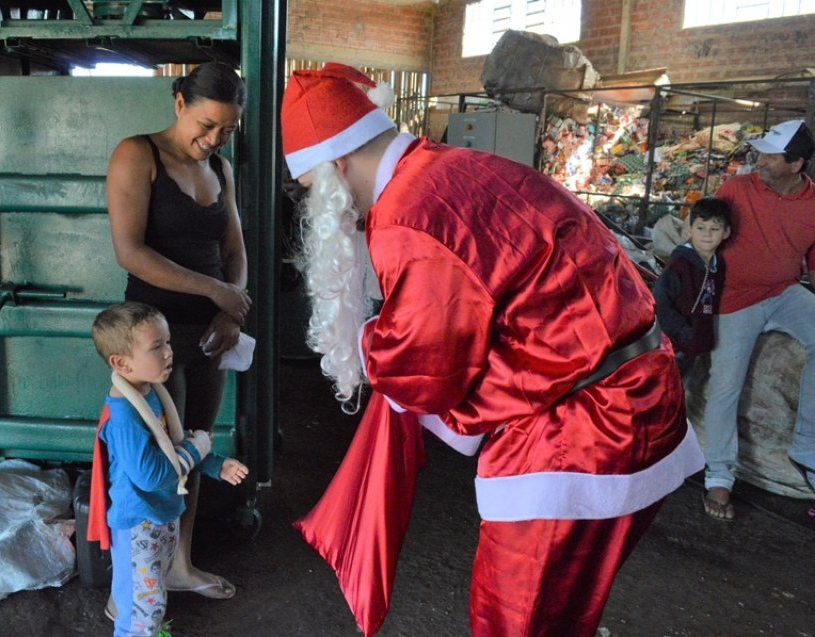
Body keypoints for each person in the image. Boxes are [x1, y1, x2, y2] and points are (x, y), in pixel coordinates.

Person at [281, 63, 703, 637]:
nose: (315, 210)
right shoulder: (457, 166)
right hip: (639, 395)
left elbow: (422, 364)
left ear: (336, 165)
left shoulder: (408, 216)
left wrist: (364, 341)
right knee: (565, 604)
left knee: (516, 617)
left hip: (581, 433)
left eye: (310, 192)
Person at [106, 61, 251, 600]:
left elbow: (234, 251)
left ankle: (179, 565)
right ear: (178, 103)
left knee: (195, 446)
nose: (213, 139)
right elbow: (130, 252)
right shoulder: (136, 155)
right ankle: (129, 581)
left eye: (227, 131)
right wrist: (217, 293)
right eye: (206, 125)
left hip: (211, 335)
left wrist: (231, 312)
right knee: (152, 463)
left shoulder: (223, 169)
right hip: (151, 340)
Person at [87, 302, 249, 637]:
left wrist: (216, 464)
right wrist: (198, 447)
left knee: (151, 601)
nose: (168, 353)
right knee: (140, 615)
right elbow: (154, 474)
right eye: (156, 347)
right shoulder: (125, 418)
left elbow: (175, 445)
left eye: (168, 342)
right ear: (121, 362)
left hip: (159, 518)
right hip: (138, 527)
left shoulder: (150, 392)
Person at [700, 119, 815, 522]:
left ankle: (807, 451)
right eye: (760, 153)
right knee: (724, 386)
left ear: (796, 164)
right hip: (736, 297)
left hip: (784, 292)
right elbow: (706, 234)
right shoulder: (737, 189)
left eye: (770, 155)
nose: (759, 161)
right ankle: (719, 476)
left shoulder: (814, 203)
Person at [653, 198, 731, 379]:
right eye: (701, 228)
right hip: (671, 347)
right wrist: (685, 333)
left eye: (715, 229)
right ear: (689, 229)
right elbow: (660, 304)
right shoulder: (679, 266)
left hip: (693, 349)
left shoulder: (717, 267)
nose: (707, 234)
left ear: (726, 232)